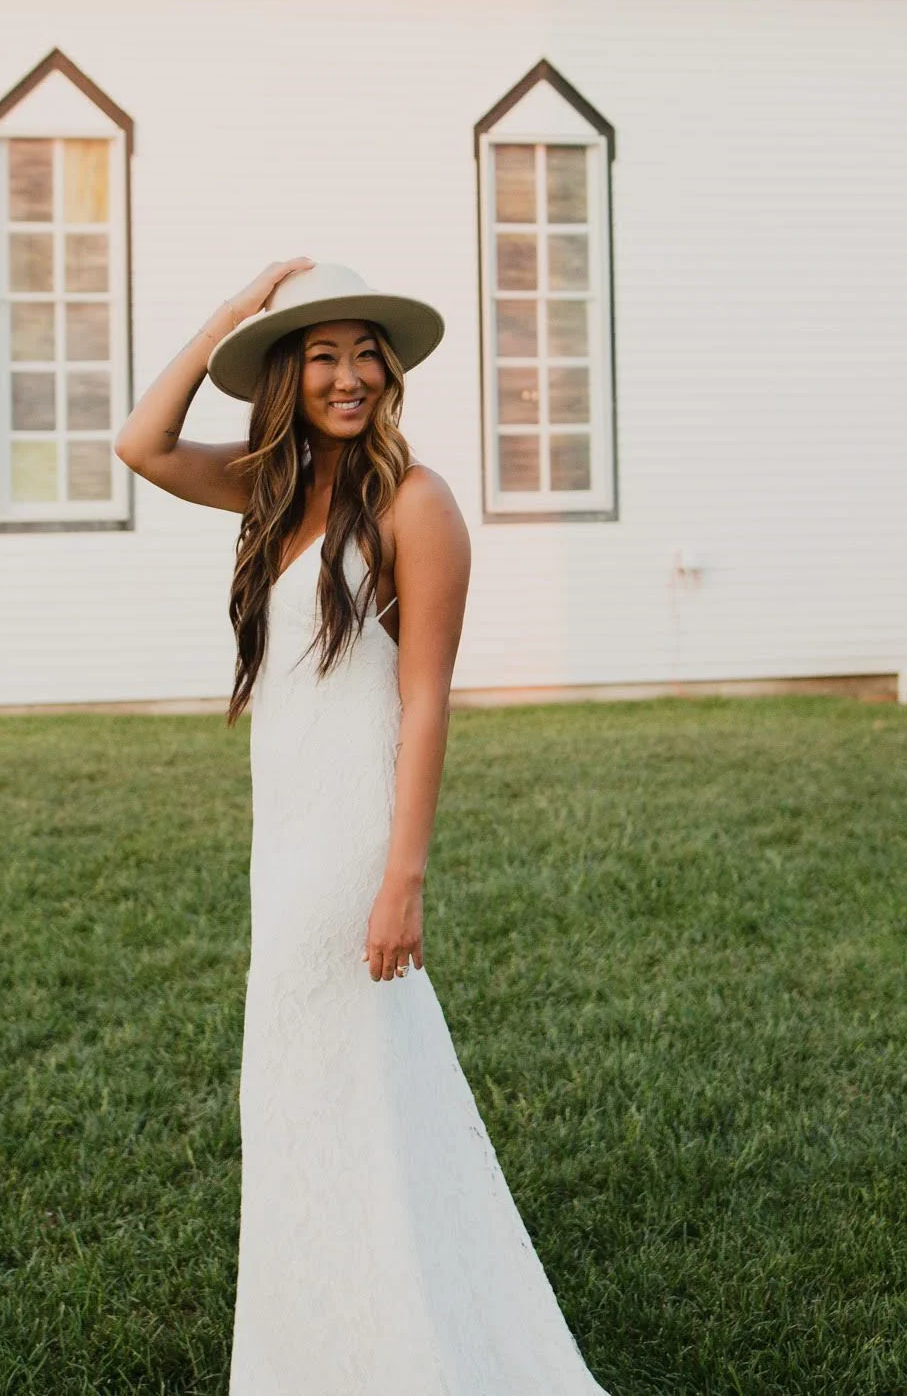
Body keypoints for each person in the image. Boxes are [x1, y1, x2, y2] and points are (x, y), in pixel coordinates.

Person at [114, 259, 609, 1392]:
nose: (347, 375)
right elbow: (140, 446)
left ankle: (382, 1345)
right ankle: (329, 1340)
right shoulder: (274, 492)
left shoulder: (413, 503)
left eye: (364, 352)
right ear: (289, 374)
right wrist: (229, 318)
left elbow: (426, 696)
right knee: (310, 1091)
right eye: (321, 353)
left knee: (316, 1076)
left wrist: (402, 876)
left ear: (390, 369)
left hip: (348, 845)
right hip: (280, 831)